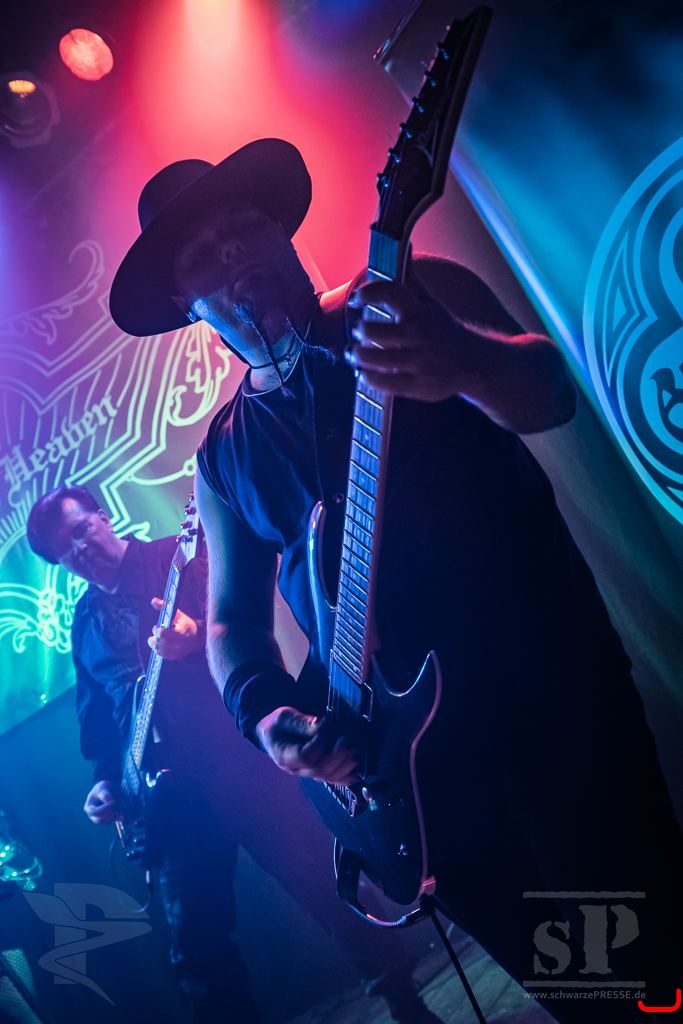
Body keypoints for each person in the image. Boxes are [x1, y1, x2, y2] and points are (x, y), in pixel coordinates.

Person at [108, 139, 682, 1023]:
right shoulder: (223, 455)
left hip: (550, 699)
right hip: (404, 778)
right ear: (190, 308)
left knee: (651, 958)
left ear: (284, 232)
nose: (231, 250)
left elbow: (550, 393)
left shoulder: (409, 295)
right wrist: (266, 717)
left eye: (244, 224)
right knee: (579, 988)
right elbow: (231, 625)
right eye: (202, 255)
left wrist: (463, 362)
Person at [25, 485, 444, 1024]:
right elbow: (98, 720)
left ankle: (408, 1004)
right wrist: (106, 779)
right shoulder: (84, 623)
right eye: (64, 552)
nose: (79, 550)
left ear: (103, 518)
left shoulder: (175, 557)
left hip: (237, 763)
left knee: (323, 883)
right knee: (194, 948)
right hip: (167, 803)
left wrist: (196, 639)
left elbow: (240, 631)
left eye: (81, 531)